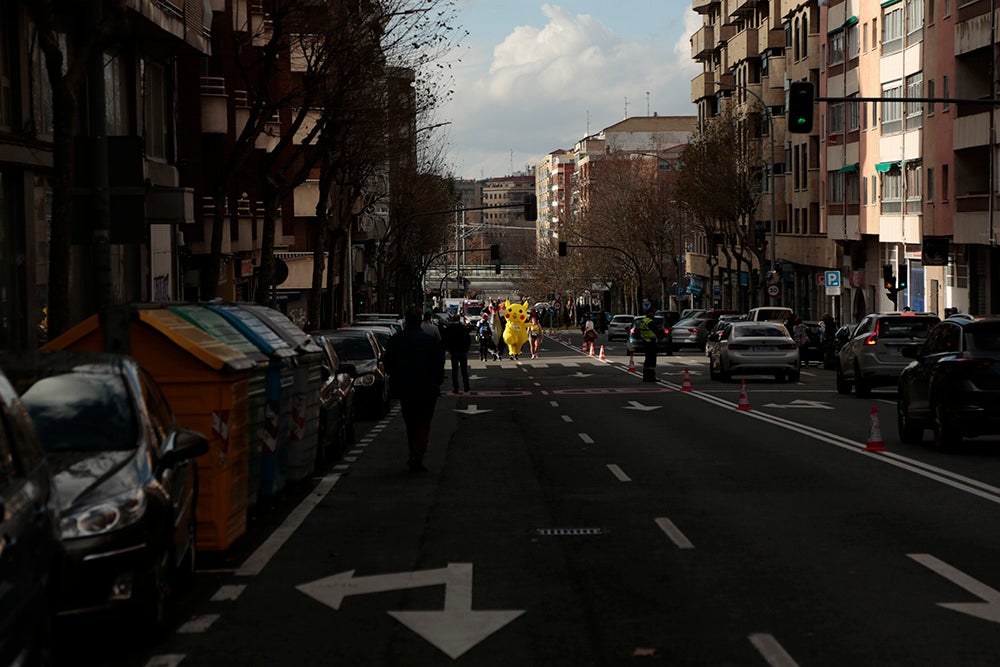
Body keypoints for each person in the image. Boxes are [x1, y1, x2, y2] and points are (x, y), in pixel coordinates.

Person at [382, 306, 446, 473]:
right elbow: (439, 364)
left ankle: (414, 453)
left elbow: (387, 363)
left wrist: (396, 378)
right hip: (427, 389)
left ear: (405, 321)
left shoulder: (396, 340)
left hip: (405, 388)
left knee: (410, 422)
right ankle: (417, 454)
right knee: (423, 423)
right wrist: (437, 381)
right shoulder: (429, 341)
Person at [443, 320, 472, 394]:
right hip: (463, 351)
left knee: (455, 371)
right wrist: (466, 349)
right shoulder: (463, 328)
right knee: (464, 370)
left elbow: (446, 339)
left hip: (454, 351)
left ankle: (456, 387)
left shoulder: (450, 328)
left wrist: (449, 349)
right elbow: (468, 339)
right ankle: (466, 387)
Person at [637, 307, 660, 382]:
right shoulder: (650, 322)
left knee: (647, 360)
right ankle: (651, 377)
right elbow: (656, 331)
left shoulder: (643, 321)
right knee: (652, 361)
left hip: (645, 342)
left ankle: (645, 377)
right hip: (651, 343)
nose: (654, 315)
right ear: (650, 313)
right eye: (653, 313)